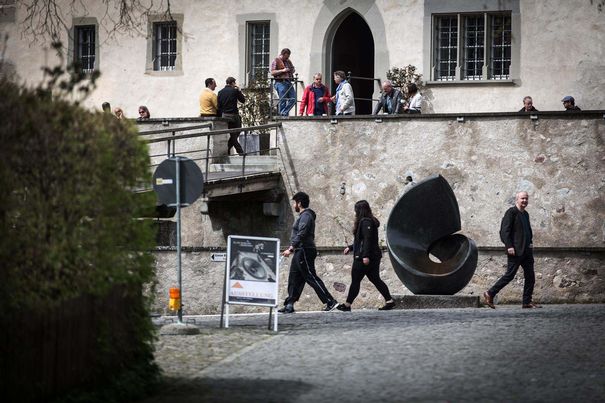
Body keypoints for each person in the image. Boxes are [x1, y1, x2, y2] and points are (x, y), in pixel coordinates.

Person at [279, 192, 338, 313]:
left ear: (299, 203)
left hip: (305, 249)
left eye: (295, 203)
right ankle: (289, 304)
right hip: (300, 250)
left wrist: (290, 248)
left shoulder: (306, 216)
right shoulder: (304, 216)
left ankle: (330, 301)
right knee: (294, 277)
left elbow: (302, 233)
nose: (294, 205)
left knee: (310, 276)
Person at [483, 191, 541, 309]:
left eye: (526, 199)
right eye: (522, 199)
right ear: (517, 200)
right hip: (515, 251)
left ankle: (526, 302)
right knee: (509, 275)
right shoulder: (511, 212)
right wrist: (509, 246)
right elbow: (504, 232)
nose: (524, 201)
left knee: (531, 277)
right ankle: (490, 293)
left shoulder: (526, 214)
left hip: (526, 251)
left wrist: (530, 243)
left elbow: (527, 231)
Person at [337, 200, 395, 312]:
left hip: (364, 257)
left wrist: (365, 256)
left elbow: (367, 240)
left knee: (356, 280)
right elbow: (362, 240)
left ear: (360, 210)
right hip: (372, 256)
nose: (355, 213)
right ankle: (389, 301)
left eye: (356, 210)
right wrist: (351, 247)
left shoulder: (366, 222)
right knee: (376, 279)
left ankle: (347, 305)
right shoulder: (368, 222)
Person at [217, 77, 245, 155]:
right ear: (232, 83)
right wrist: (239, 90)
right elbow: (243, 100)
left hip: (224, 116)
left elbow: (218, 106)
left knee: (233, 134)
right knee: (236, 132)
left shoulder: (220, 92)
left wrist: (220, 117)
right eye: (234, 83)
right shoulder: (235, 91)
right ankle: (240, 152)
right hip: (233, 115)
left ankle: (228, 148)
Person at [270, 48, 296, 116]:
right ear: (283, 54)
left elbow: (292, 69)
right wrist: (282, 70)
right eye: (286, 56)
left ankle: (283, 113)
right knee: (283, 100)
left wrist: (291, 70)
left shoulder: (288, 61)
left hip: (288, 81)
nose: (287, 58)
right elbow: (272, 72)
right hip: (280, 82)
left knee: (293, 99)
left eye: (288, 57)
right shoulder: (276, 60)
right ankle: (283, 115)